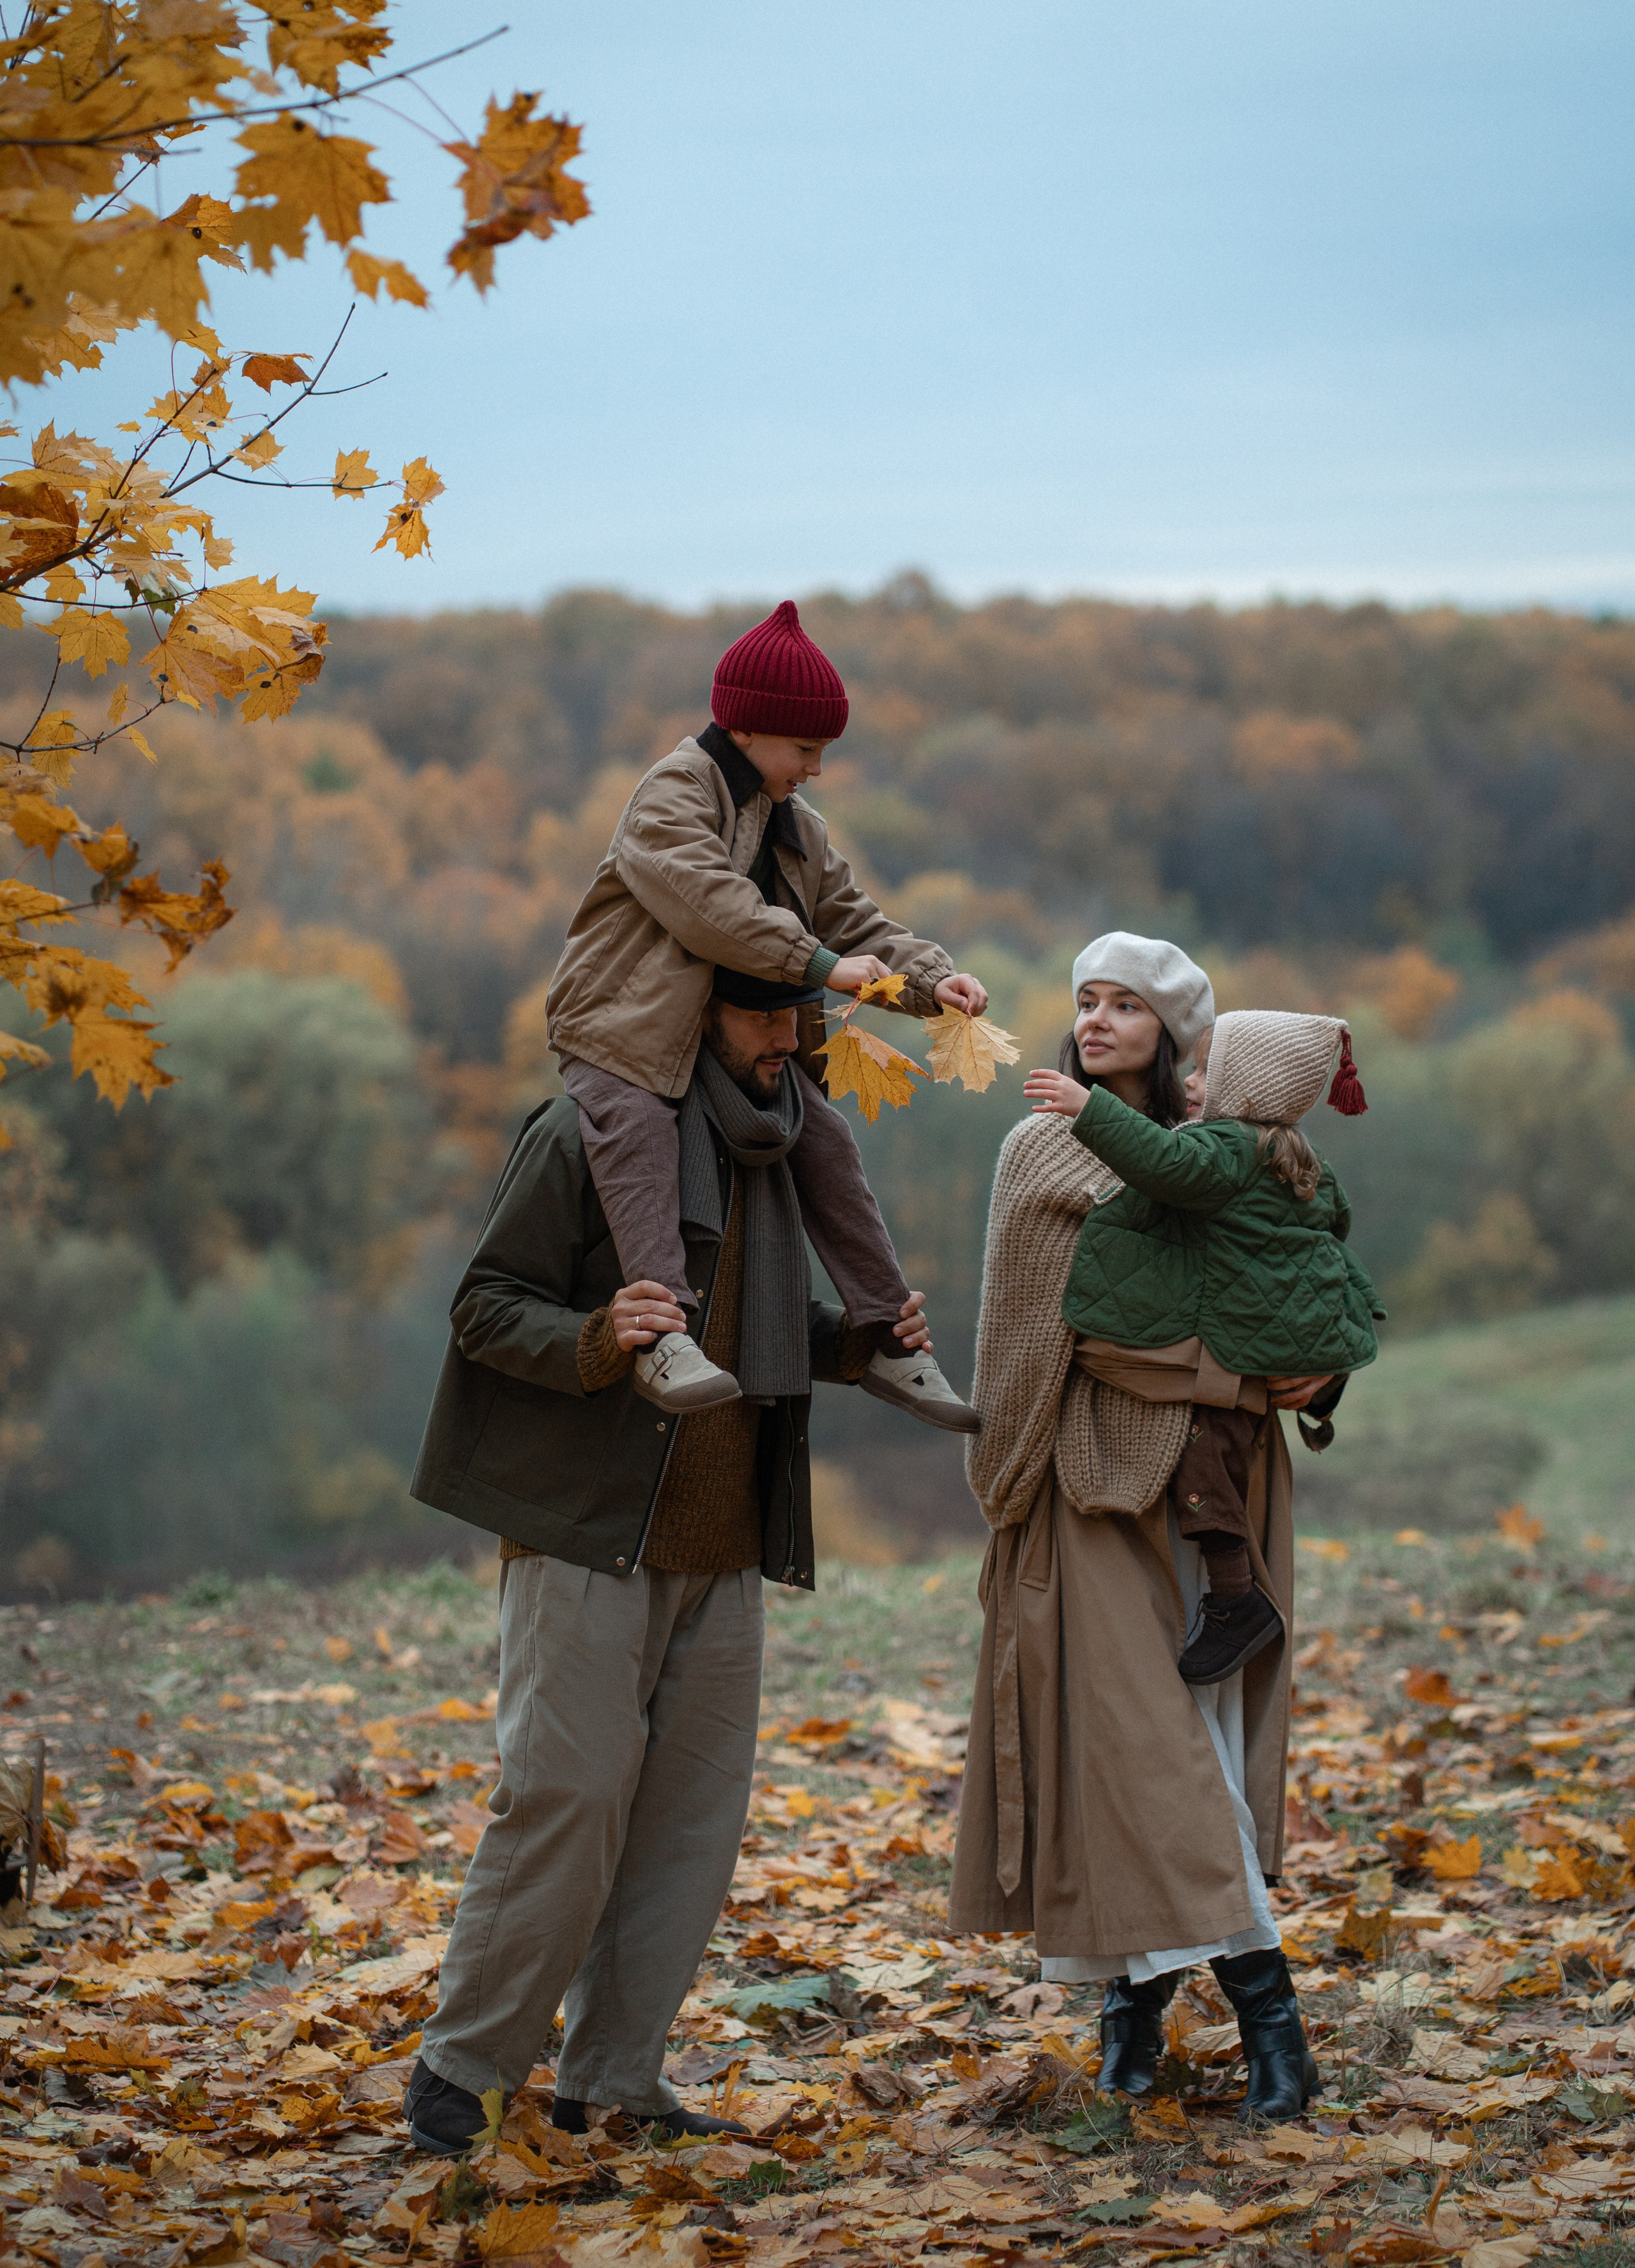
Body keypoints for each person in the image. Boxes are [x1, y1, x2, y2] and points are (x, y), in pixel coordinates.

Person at [404, 968, 949, 2155]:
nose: (787, 1038)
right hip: (592, 1528)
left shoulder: (785, 1145)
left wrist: (860, 1340)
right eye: (762, 1015)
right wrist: (603, 1338)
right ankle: (462, 2071)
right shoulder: (590, 1130)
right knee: (568, 1797)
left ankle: (613, 2084)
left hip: (728, 1542)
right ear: (696, 1011)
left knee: (689, 1829)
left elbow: (756, 1336)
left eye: (798, 1019)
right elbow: (485, 1305)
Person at [949, 932, 1344, 2123]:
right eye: (1087, 1000)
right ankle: (1265, 2017)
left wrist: (1318, 1380)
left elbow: (1305, 1288)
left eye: (1128, 1004)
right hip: (1094, 1485)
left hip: (1224, 1498)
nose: (1101, 1018)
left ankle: (1137, 2013)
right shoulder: (1044, 1149)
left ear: (1175, 1033)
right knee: (1140, 1753)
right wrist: (1234, 1376)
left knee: (1194, 1751)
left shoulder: (1237, 1154)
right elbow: (1071, 1330)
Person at [544, 595, 980, 1432]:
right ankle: (663, 1335)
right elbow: (711, 908)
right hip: (624, 1029)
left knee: (824, 1140)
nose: (816, 767)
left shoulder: (796, 828)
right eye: (806, 748)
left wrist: (934, 983)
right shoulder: (671, 795)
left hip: (724, 1038)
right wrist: (822, 968)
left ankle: (888, 1333)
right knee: (635, 1131)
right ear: (746, 728)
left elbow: (856, 920)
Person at [1024, 1007, 1382, 1687]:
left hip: (1227, 1352)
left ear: (1247, 1087)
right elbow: (1331, 1239)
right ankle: (1233, 1596)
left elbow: (1165, 1164)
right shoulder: (1301, 1159)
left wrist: (1087, 1110)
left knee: (1204, 1466)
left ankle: (1236, 1598)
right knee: (1215, 1459)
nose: (1191, 1083)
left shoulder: (1222, 1149)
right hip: (1258, 1341)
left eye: (1207, 1072)